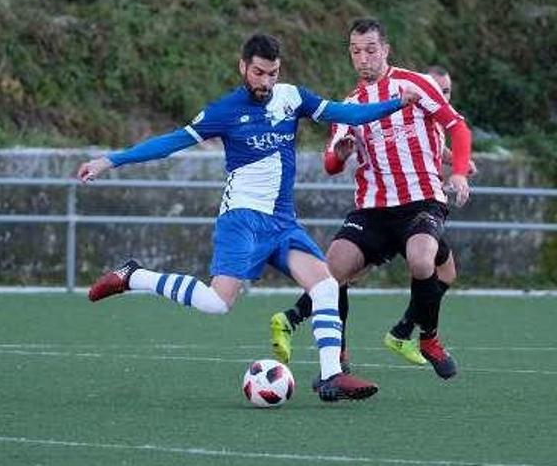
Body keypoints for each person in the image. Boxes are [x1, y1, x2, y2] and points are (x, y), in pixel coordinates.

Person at [77, 33, 418, 402]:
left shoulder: (292, 98)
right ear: (243, 67)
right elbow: (169, 143)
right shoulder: (224, 110)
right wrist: (110, 160)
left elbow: (345, 113)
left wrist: (395, 103)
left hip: (283, 222)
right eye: (258, 73)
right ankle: (135, 276)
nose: (265, 82)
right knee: (217, 303)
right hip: (243, 219)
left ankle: (331, 375)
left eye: (272, 73)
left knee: (325, 286)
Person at [268, 19, 474, 381]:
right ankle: (338, 358)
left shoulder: (415, 85)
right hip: (373, 209)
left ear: (386, 49)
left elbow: (457, 126)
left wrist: (457, 171)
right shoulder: (349, 106)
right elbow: (331, 163)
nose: (363, 58)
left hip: (422, 200)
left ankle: (428, 339)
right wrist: (342, 155)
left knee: (423, 259)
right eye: (355, 51)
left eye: (370, 50)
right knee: (331, 270)